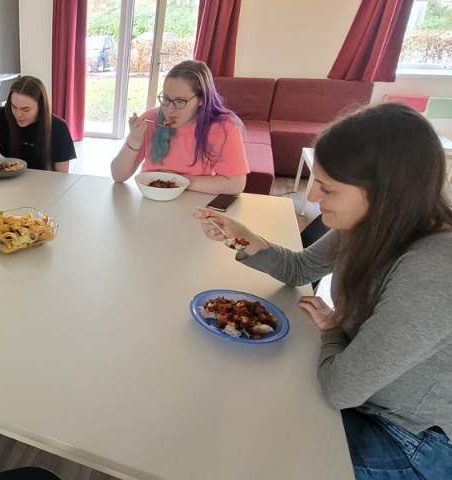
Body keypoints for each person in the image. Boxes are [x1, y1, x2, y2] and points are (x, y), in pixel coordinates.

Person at [194, 103, 452, 479]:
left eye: (327, 188)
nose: (312, 197)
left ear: (385, 194)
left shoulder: (434, 267)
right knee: (231, 400)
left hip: (407, 436)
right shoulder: (372, 224)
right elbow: (300, 267)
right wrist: (240, 237)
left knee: (242, 445)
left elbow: (340, 389)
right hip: (361, 394)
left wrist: (332, 329)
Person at [111, 60, 248, 194]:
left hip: (194, 206)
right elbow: (118, 176)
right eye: (165, 99)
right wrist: (134, 140)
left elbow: (235, 184)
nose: (169, 110)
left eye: (179, 101)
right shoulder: (150, 120)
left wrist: (178, 182)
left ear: (202, 99)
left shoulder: (223, 128)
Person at [0, 75, 76, 173]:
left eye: (26, 109)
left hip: (43, 185)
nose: (18, 115)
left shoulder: (58, 127)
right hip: (3, 184)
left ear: (41, 107)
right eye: (13, 107)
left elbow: (62, 176)